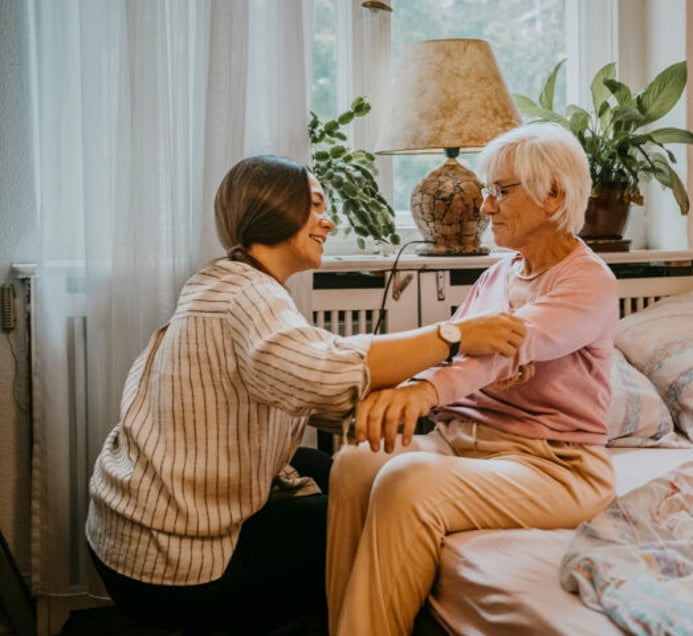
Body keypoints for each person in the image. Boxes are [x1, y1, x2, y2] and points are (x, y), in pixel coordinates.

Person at [84, 154, 526, 634]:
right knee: (371, 526)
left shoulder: (222, 281)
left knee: (322, 469)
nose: (329, 220)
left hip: (126, 531)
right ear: (274, 209)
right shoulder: (249, 297)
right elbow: (328, 372)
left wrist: (416, 395)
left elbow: (313, 371)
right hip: (169, 565)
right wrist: (453, 336)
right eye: (315, 205)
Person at [326, 122, 620, 636]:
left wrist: (424, 392)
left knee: (407, 482)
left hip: (554, 465)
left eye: (500, 192)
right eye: (487, 192)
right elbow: (453, 348)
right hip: (464, 442)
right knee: (356, 461)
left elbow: (503, 348)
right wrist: (397, 389)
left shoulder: (588, 282)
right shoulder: (497, 274)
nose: (485, 208)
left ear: (553, 194)